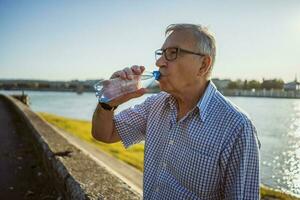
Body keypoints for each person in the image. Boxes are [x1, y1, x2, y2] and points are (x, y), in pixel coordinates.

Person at [92, 23, 260, 199]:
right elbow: (104, 134)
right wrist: (108, 103)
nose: (158, 62)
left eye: (172, 53)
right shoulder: (155, 105)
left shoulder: (237, 127)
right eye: (161, 53)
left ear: (203, 65)